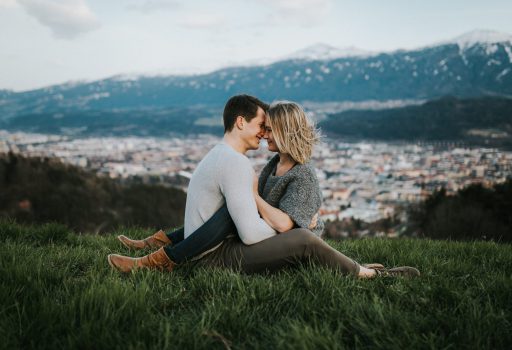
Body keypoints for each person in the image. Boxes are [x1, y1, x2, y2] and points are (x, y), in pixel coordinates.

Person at [108, 96, 419, 278]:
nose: (264, 135)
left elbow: (285, 225)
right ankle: (158, 256)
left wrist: (256, 199)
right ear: (242, 123)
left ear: (284, 133)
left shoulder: (301, 174)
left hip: (273, 239)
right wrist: (256, 202)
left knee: (304, 239)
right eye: (263, 127)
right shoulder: (267, 165)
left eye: (269, 130)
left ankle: (368, 275)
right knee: (272, 225)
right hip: (232, 249)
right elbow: (255, 224)